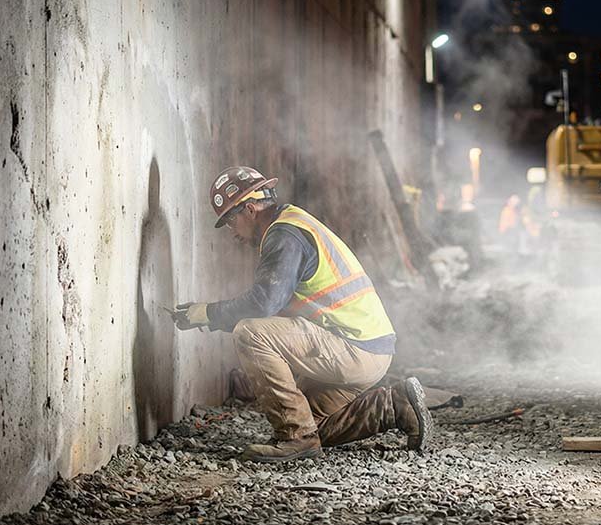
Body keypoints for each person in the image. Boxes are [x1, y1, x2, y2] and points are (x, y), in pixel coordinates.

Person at [172, 166, 432, 462]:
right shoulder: (293, 222)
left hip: (354, 349)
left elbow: (263, 303)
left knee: (250, 332)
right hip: (369, 348)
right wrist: (214, 319)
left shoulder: (285, 236)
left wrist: (208, 313)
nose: (233, 232)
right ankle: (395, 406)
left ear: (252, 209)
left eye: (231, 220)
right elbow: (278, 306)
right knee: (313, 424)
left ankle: (293, 438)